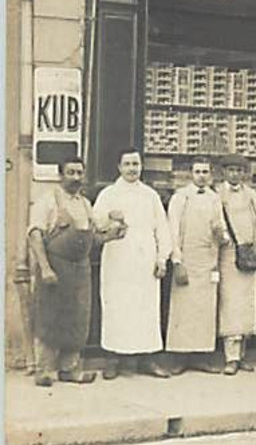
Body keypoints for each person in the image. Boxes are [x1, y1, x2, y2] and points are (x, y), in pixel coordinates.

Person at [27, 158, 124, 388]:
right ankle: (44, 370)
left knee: (77, 318)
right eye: (70, 172)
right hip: (55, 266)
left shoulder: (85, 204)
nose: (76, 177)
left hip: (80, 267)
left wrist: (113, 234)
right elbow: (35, 235)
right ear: (61, 175)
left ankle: (69, 368)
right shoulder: (47, 202)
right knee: (49, 316)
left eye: (79, 172)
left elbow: (93, 237)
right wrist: (45, 268)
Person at [93, 149, 172, 379]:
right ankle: (112, 359)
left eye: (135, 164)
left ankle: (147, 359)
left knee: (145, 308)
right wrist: (109, 216)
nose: (131, 169)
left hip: (144, 260)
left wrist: (161, 259)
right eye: (127, 164)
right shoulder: (109, 194)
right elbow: (95, 222)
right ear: (119, 167)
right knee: (117, 307)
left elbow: (162, 229)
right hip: (117, 259)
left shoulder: (150, 195)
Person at [166, 157, 228, 372]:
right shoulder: (180, 197)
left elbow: (221, 229)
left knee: (204, 310)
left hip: (207, 261)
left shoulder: (214, 198)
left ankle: (201, 356)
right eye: (198, 171)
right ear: (191, 174)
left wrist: (222, 236)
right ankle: (180, 358)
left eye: (205, 171)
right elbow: (173, 231)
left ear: (211, 175)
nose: (202, 175)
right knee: (184, 310)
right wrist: (177, 261)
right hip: (187, 259)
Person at [217, 154, 256, 373]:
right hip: (228, 255)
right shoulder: (218, 195)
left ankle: (242, 355)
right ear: (224, 172)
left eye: (239, 170)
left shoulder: (251, 195)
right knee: (230, 303)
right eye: (230, 170)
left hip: (248, 255)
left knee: (247, 304)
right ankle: (230, 357)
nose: (234, 174)